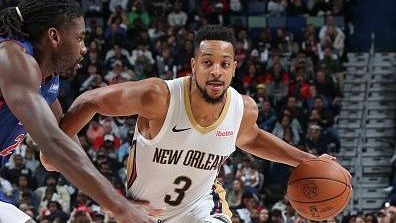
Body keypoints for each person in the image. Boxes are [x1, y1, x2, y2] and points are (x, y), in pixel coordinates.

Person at [58, 26, 348, 223]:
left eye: (224, 64)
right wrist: (56, 145)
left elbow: (252, 138)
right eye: (208, 62)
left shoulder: (242, 109)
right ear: (194, 65)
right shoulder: (158, 97)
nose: (216, 71)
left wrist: (308, 161)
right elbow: (91, 100)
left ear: (235, 68)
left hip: (200, 207)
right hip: (142, 211)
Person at [0, 0, 153, 223]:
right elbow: (53, 146)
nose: (84, 49)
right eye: (80, 38)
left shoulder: (48, 79)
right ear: (54, 36)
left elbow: (58, 149)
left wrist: (115, 199)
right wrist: (121, 207)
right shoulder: (12, 58)